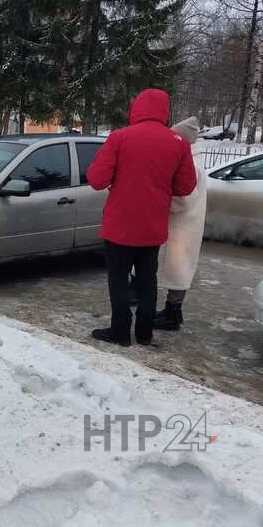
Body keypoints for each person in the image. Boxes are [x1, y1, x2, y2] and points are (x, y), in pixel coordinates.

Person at [87, 89, 197, 347]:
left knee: (118, 278)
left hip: (119, 227)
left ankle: (120, 331)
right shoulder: (178, 143)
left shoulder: (120, 138)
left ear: (136, 108)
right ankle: (145, 333)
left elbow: (96, 180)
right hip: (152, 227)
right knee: (148, 279)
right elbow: (185, 187)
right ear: (164, 111)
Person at [153, 116, 205, 330]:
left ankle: (172, 314)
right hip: (184, 223)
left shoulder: (190, 163)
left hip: (183, 224)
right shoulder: (191, 159)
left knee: (178, 269)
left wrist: (161, 203)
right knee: (177, 268)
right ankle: (173, 311)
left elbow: (184, 198)